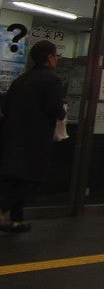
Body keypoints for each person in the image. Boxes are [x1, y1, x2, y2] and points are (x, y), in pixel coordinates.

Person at [0, 40, 65, 232]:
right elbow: (54, 108)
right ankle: (3, 209)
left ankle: (16, 221)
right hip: (35, 139)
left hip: (12, 136)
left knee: (17, 178)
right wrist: (62, 112)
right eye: (56, 56)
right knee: (32, 179)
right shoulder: (52, 80)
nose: (57, 59)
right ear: (49, 58)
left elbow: (5, 106)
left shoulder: (21, 79)